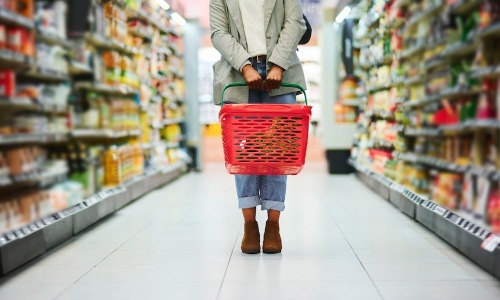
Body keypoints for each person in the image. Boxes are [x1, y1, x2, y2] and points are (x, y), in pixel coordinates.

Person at [210, 0, 307, 254]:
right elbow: (218, 32)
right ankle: (249, 224)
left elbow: (294, 22)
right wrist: (244, 65)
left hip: (282, 72)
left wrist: (278, 63)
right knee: (244, 153)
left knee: (278, 151)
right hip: (237, 73)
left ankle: (273, 225)